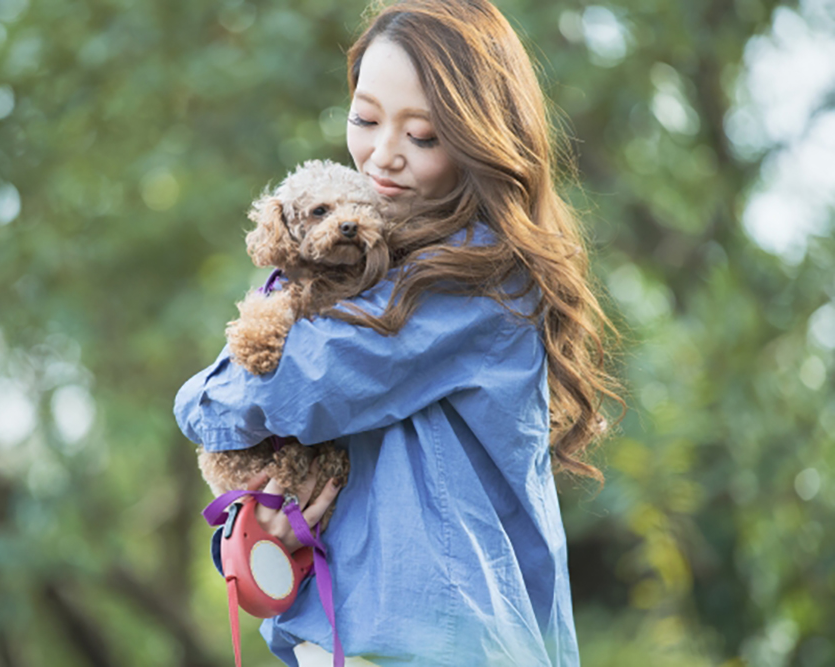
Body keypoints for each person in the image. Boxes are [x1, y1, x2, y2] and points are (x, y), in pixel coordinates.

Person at [174, 1, 621, 665]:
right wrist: (271, 519)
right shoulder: (379, 264)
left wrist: (200, 398)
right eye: (365, 119)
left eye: (425, 136)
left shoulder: (476, 278)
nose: (383, 156)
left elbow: (272, 392)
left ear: (479, 142)